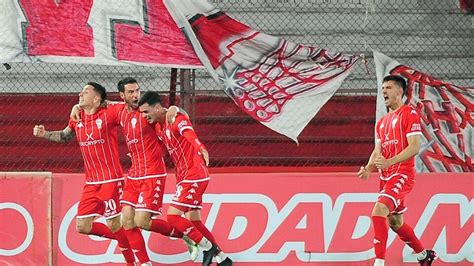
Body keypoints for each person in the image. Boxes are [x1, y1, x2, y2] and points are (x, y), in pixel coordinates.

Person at [33, 82, 135, 265]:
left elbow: (126, 106)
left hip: (111, 179)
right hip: (91, 183)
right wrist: (45, 134)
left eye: (85, 92)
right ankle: (127, 239)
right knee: (83, 226)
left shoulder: (108, 114)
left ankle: (133, 261)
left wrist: (103, 102)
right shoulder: (77, 117)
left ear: (96, 98)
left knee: (113, 224)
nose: (80, 94)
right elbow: (65, 135)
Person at [138, 91, 233, 266]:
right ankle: (223, 260)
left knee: (173, 218)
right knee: (194, 221)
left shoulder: (175, 119)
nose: (144, 116)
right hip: (184, 177)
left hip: (194, 174)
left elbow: (188, 132)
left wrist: (201, 147)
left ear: (157, 108)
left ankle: (207, 247)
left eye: (146, 112)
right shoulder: (159, 127)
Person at [357, 75, 437, 266]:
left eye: (389, 88)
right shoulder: (382, 122)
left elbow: (414, 147)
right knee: (395, 223)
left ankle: (379, 262)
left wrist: (390, 161)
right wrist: (368, 168)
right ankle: (423, 255)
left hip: (402, 174)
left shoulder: (409, 114)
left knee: (378, 212)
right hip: (386, 177)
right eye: (383, 88)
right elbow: (378, 151)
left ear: (400, 91)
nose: (384, 91)